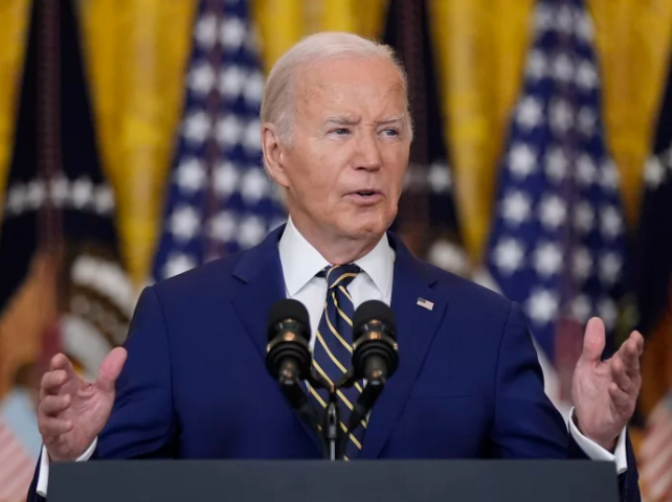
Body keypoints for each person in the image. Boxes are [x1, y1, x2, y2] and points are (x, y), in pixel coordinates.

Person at [28, 32, 644, 501]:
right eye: (341, 130)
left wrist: (594, 440)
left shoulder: (484, 325)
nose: (370, 158)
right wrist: (76, 460)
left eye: (390, 131)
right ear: (276, 152)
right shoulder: (180, 316)